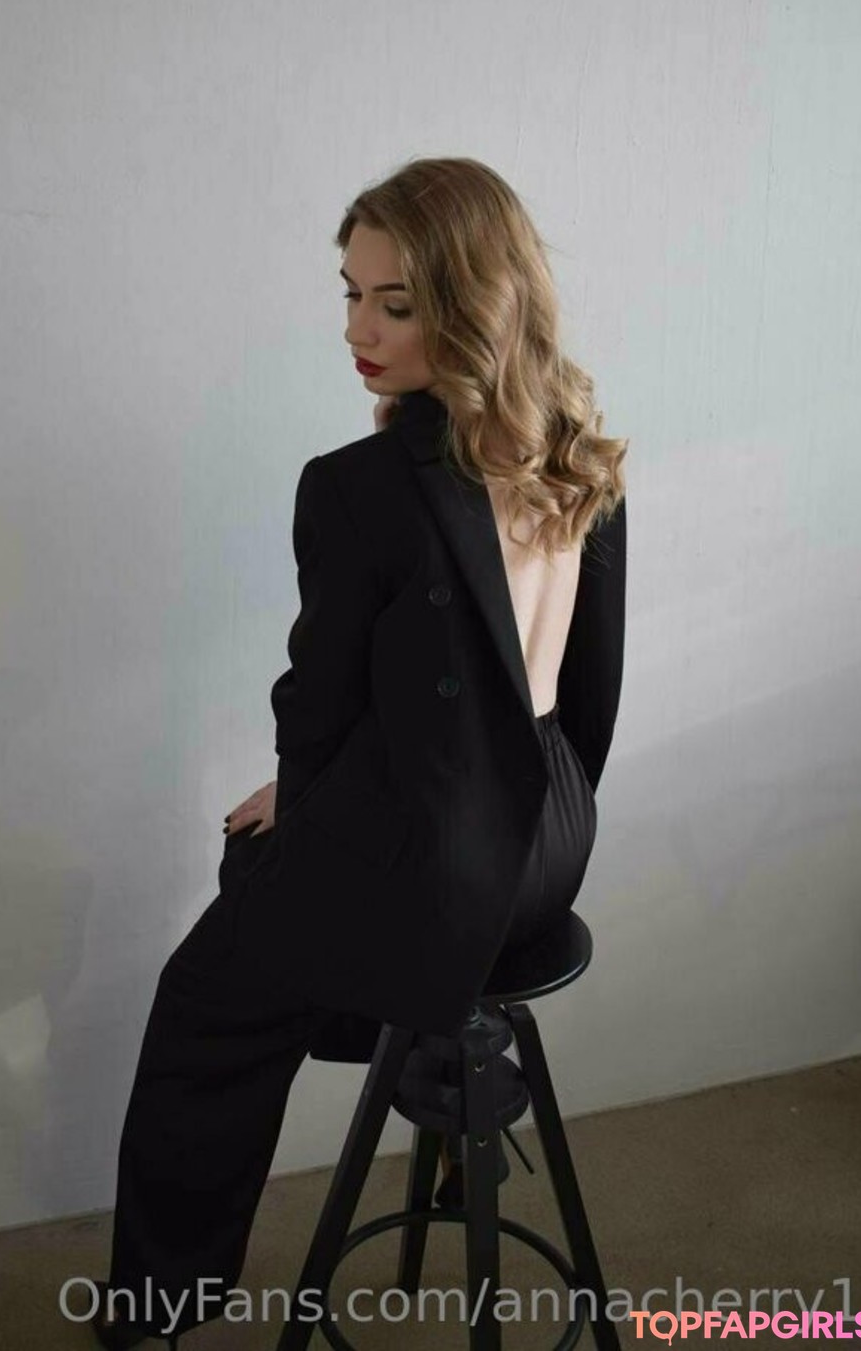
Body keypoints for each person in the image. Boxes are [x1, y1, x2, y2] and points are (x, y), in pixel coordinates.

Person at [87, 157, 628, 1347]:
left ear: (473, 304)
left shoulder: (358, 487)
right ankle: (449, 1064)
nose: (358, 330)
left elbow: (318, 706)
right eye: (350, 294)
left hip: (447, 857)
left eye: (396, 303)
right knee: (294, 884)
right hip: (553, 835)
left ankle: (154, 1303)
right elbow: (584, 696)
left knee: (206, 992)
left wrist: (303, 798)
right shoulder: (574, 449)